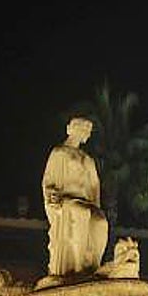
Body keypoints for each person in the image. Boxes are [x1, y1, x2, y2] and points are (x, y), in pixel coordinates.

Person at [41, 117, 109, 282]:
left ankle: (93, 265)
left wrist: (96, 205)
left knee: (101, 222)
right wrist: (53, 197)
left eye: (87, 131)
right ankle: (79, 267)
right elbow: (49, 181)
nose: (85, 133)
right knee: (81, 213)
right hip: (68, 201)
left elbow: (94, 187)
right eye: (82, 129)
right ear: (71, 129)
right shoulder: (59, 153)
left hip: (87, 202)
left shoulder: (88, 159)